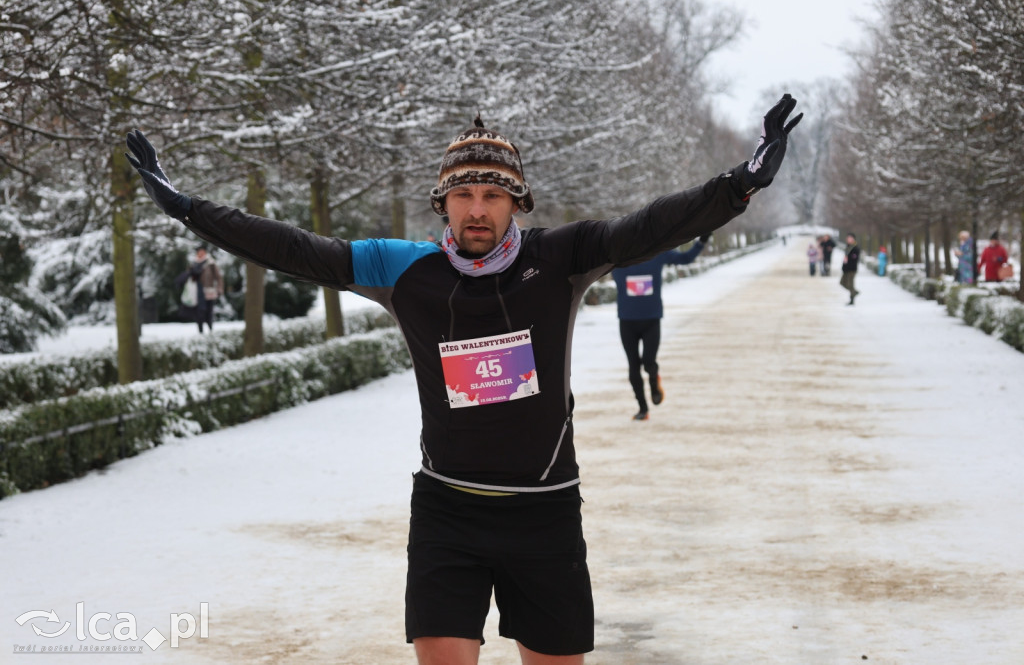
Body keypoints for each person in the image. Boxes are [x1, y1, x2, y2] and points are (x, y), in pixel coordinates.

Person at [126, 94, 801, 664]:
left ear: (517, 203)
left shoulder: (559, 257)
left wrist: (739, 183)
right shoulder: (403, 269)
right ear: (442, 202)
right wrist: (190, 210)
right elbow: (295, 249)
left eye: (493, 195)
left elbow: (653, 224)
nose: (477, 209)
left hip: (546, 515)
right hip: (448, 513)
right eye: (463, 195)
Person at [611, 236, 709, 421]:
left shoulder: (657, 254)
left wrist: (702, 242)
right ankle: (642, 408)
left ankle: (655, 382)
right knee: (633, 366)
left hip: (651, 319)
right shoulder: (617, 259)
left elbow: (685, 259)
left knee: (649, 361)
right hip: (627, 321)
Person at [175, 245, 223, 333]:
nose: (200, 253)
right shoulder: (193, 263)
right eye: (199, 251)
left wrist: (219, 289)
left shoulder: (211, 263)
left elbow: (218, 277)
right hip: (196, 292)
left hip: (209, 291)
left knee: (209, 311)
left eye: (202, 251)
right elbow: (188, 276)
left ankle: (210, 329)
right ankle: (200, 330)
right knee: (199, 312)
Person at [840, 232, 861, 305]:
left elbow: (855, 258)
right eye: (847, 238)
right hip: (846, 269)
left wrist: (850, 258)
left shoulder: (855, 247)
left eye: (850, 238)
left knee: (850, 284)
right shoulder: (848, 246)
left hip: (851, 269)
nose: (848, 239)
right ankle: (854, 292)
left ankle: (852, 300)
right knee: (842, 282)